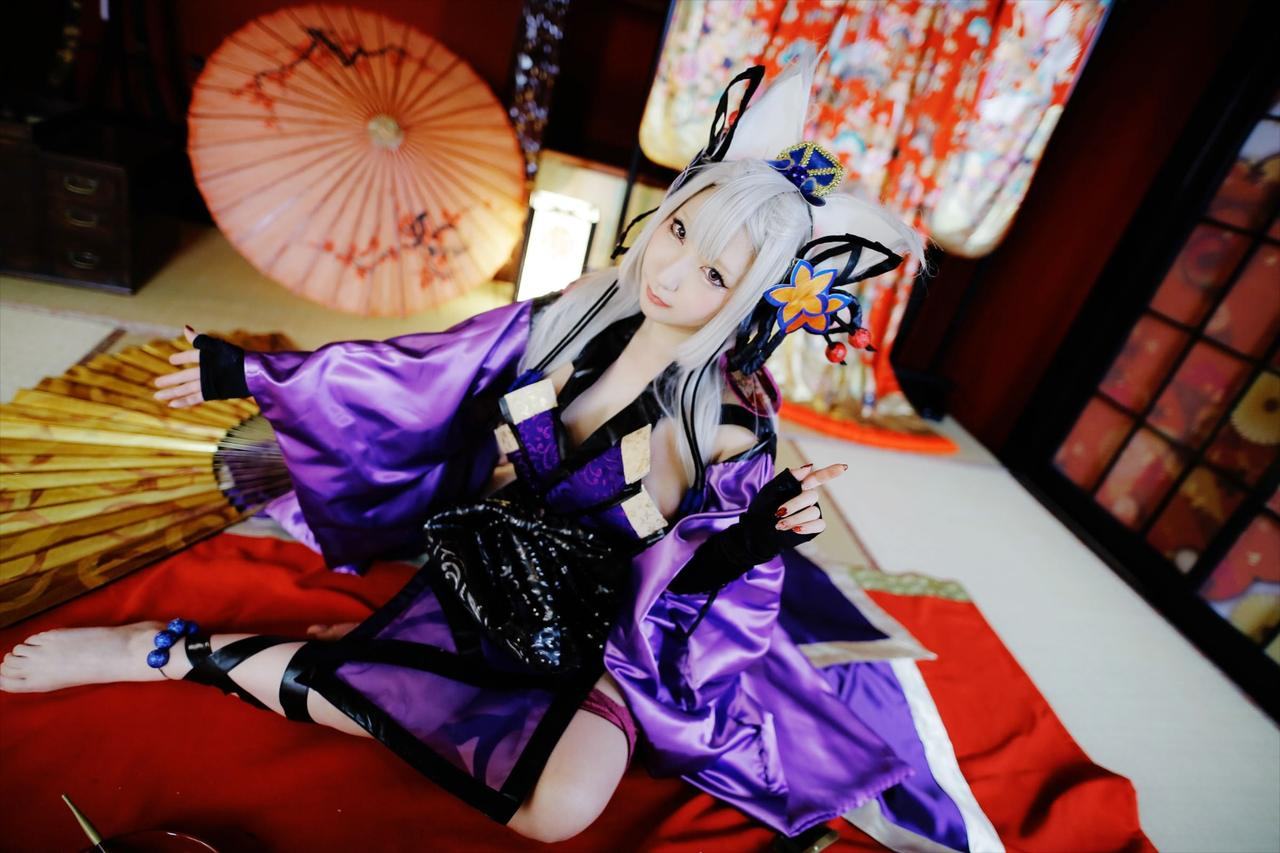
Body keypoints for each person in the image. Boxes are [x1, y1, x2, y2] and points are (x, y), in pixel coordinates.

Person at [1, 54, 937, 845]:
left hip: (609, 648)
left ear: (748, 300)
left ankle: (367, 670)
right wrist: (256, 373)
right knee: (399, 689)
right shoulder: (571, 318)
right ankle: (166, 651)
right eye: (682, 228)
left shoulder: (730, 428)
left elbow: (708, 603)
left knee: (557, 810)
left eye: (715, 273)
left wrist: (753, 540)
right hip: (481, 577)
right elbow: (417, 370)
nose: (671, 271)